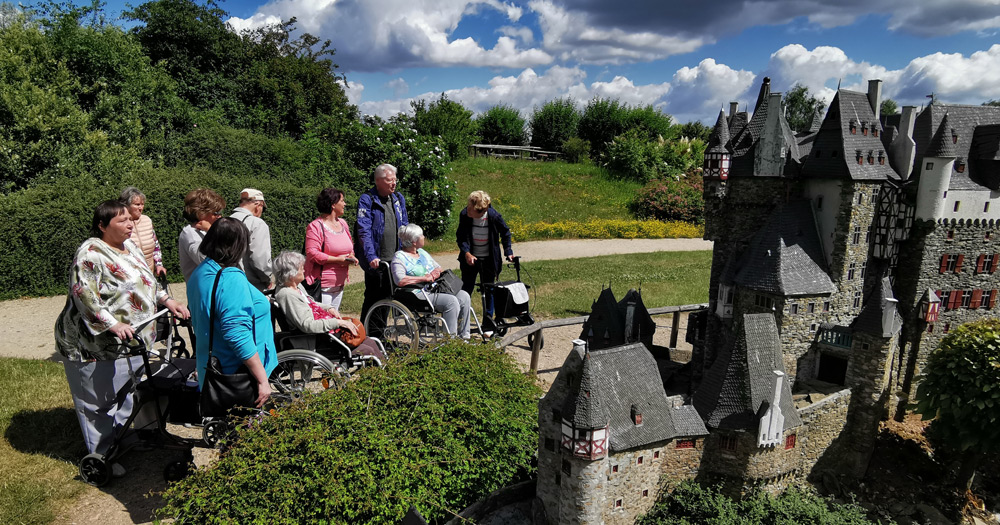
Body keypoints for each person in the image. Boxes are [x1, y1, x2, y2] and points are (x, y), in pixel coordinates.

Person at [55, 200, 190, 473]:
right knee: (96, 402)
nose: (130, 224)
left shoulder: (130, 246)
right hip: (93, 343)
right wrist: (112, 324)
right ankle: (102, 456)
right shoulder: (90, 253)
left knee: (127, 392)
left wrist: (167, 301)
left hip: (131, 342)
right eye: (122, 220)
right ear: (102, 226)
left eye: (130, 219)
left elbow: (146, 281)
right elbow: (84, 295)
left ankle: (126, 438)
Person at [187, 218, 276, 409]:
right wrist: (262, 379)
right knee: (241, 432)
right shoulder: (229, 277)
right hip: (236, 373)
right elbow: (236, 334)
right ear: (238, 245)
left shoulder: (202, 271)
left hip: (212, 365)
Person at [272, 251, 386, 360]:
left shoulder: (296, 287)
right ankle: (383, 376)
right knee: (367, 350)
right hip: (315, 339)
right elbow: (307, 325)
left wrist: (328, 308)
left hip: (324, 334)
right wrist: (338, 323)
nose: (304, 270)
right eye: (301, 268)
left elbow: (311, 304)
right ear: (291, 274)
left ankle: (384, 375)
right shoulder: (287, 294)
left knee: (369, 341)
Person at [391, 224, 471, 339]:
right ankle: (450, 341)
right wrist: (424, 278)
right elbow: (400, 280)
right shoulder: (399, 258)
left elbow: (438, 267)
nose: (424, 237)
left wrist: (436, 272)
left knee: (464, 296)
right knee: (451, 301)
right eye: (421, 236)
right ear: (414, 241)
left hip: (435, 289)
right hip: (418, 294)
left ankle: (465, 337)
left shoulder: (422, 252)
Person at [356, 164, 409, 321]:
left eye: (395, 180)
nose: (393, 183)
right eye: (389, 180)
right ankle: (367, 336)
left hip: (395, 258)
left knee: (389, 297)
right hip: (377, 260)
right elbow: (364, 230)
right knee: (374, 298)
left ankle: (381, 335)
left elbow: (405, 225)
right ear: (378, 181)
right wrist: (371, 256)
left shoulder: (398, 199)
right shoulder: (367, 199)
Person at [456, 190, 514, 325]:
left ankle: (488, 323)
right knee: (466, 290)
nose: (468, 211)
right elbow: (461, 237)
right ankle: (461, 322)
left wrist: (508, 251)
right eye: (468, 208)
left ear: (482, 211)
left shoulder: (493, 216)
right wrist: (467, 253)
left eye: (471, 210)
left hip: (489, 260)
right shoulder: (465, 215)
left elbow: (506, 232)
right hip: (470, 260)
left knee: (489, 290)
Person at [304, 188, 358, 309]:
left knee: (334, 321)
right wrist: (337, 260)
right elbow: (312, 253)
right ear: (333, 204)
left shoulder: (343, 223)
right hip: (322, 285)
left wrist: (351, 256)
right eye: (342, 201)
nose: (345, 204)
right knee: (324, 322)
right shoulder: (315, 226)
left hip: (339, 284)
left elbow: (349, 247)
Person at [178, 188, 226, 281]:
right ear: (201, 213)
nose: (219, 216)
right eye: (216, 213)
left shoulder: (204, 230)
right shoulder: (190, 234)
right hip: (204, 290)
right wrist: (210, 230)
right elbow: (207, 261)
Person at [230, 188, 273, 291]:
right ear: (258, 205)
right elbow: (259, 259)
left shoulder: (225, 221)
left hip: (228, 282)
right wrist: (267, 278)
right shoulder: (256, 223)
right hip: (251, 286)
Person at [120, 187, 166, 277]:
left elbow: (156, 245)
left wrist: (159, 265)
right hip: (130, 276)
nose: (141, 208)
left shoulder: (147, 220)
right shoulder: (119, 224)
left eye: (142, 204)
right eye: (137, 204)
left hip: (149, 274)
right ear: (126, 205)